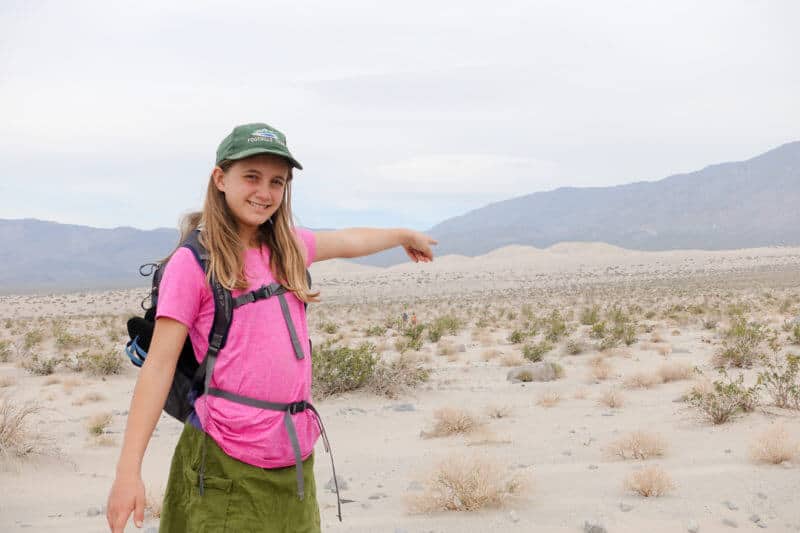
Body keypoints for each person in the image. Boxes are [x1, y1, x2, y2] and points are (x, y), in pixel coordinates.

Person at [106, 122, 437, 533]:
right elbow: (157, 368)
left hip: (294, 461)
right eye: (251, 177)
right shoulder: (194, 265)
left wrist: (402, 234)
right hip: (224, 462)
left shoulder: (289, 247)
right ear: (220, 178)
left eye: (276, 181)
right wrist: (128, 471)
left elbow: (349, 239)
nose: (264, 192)